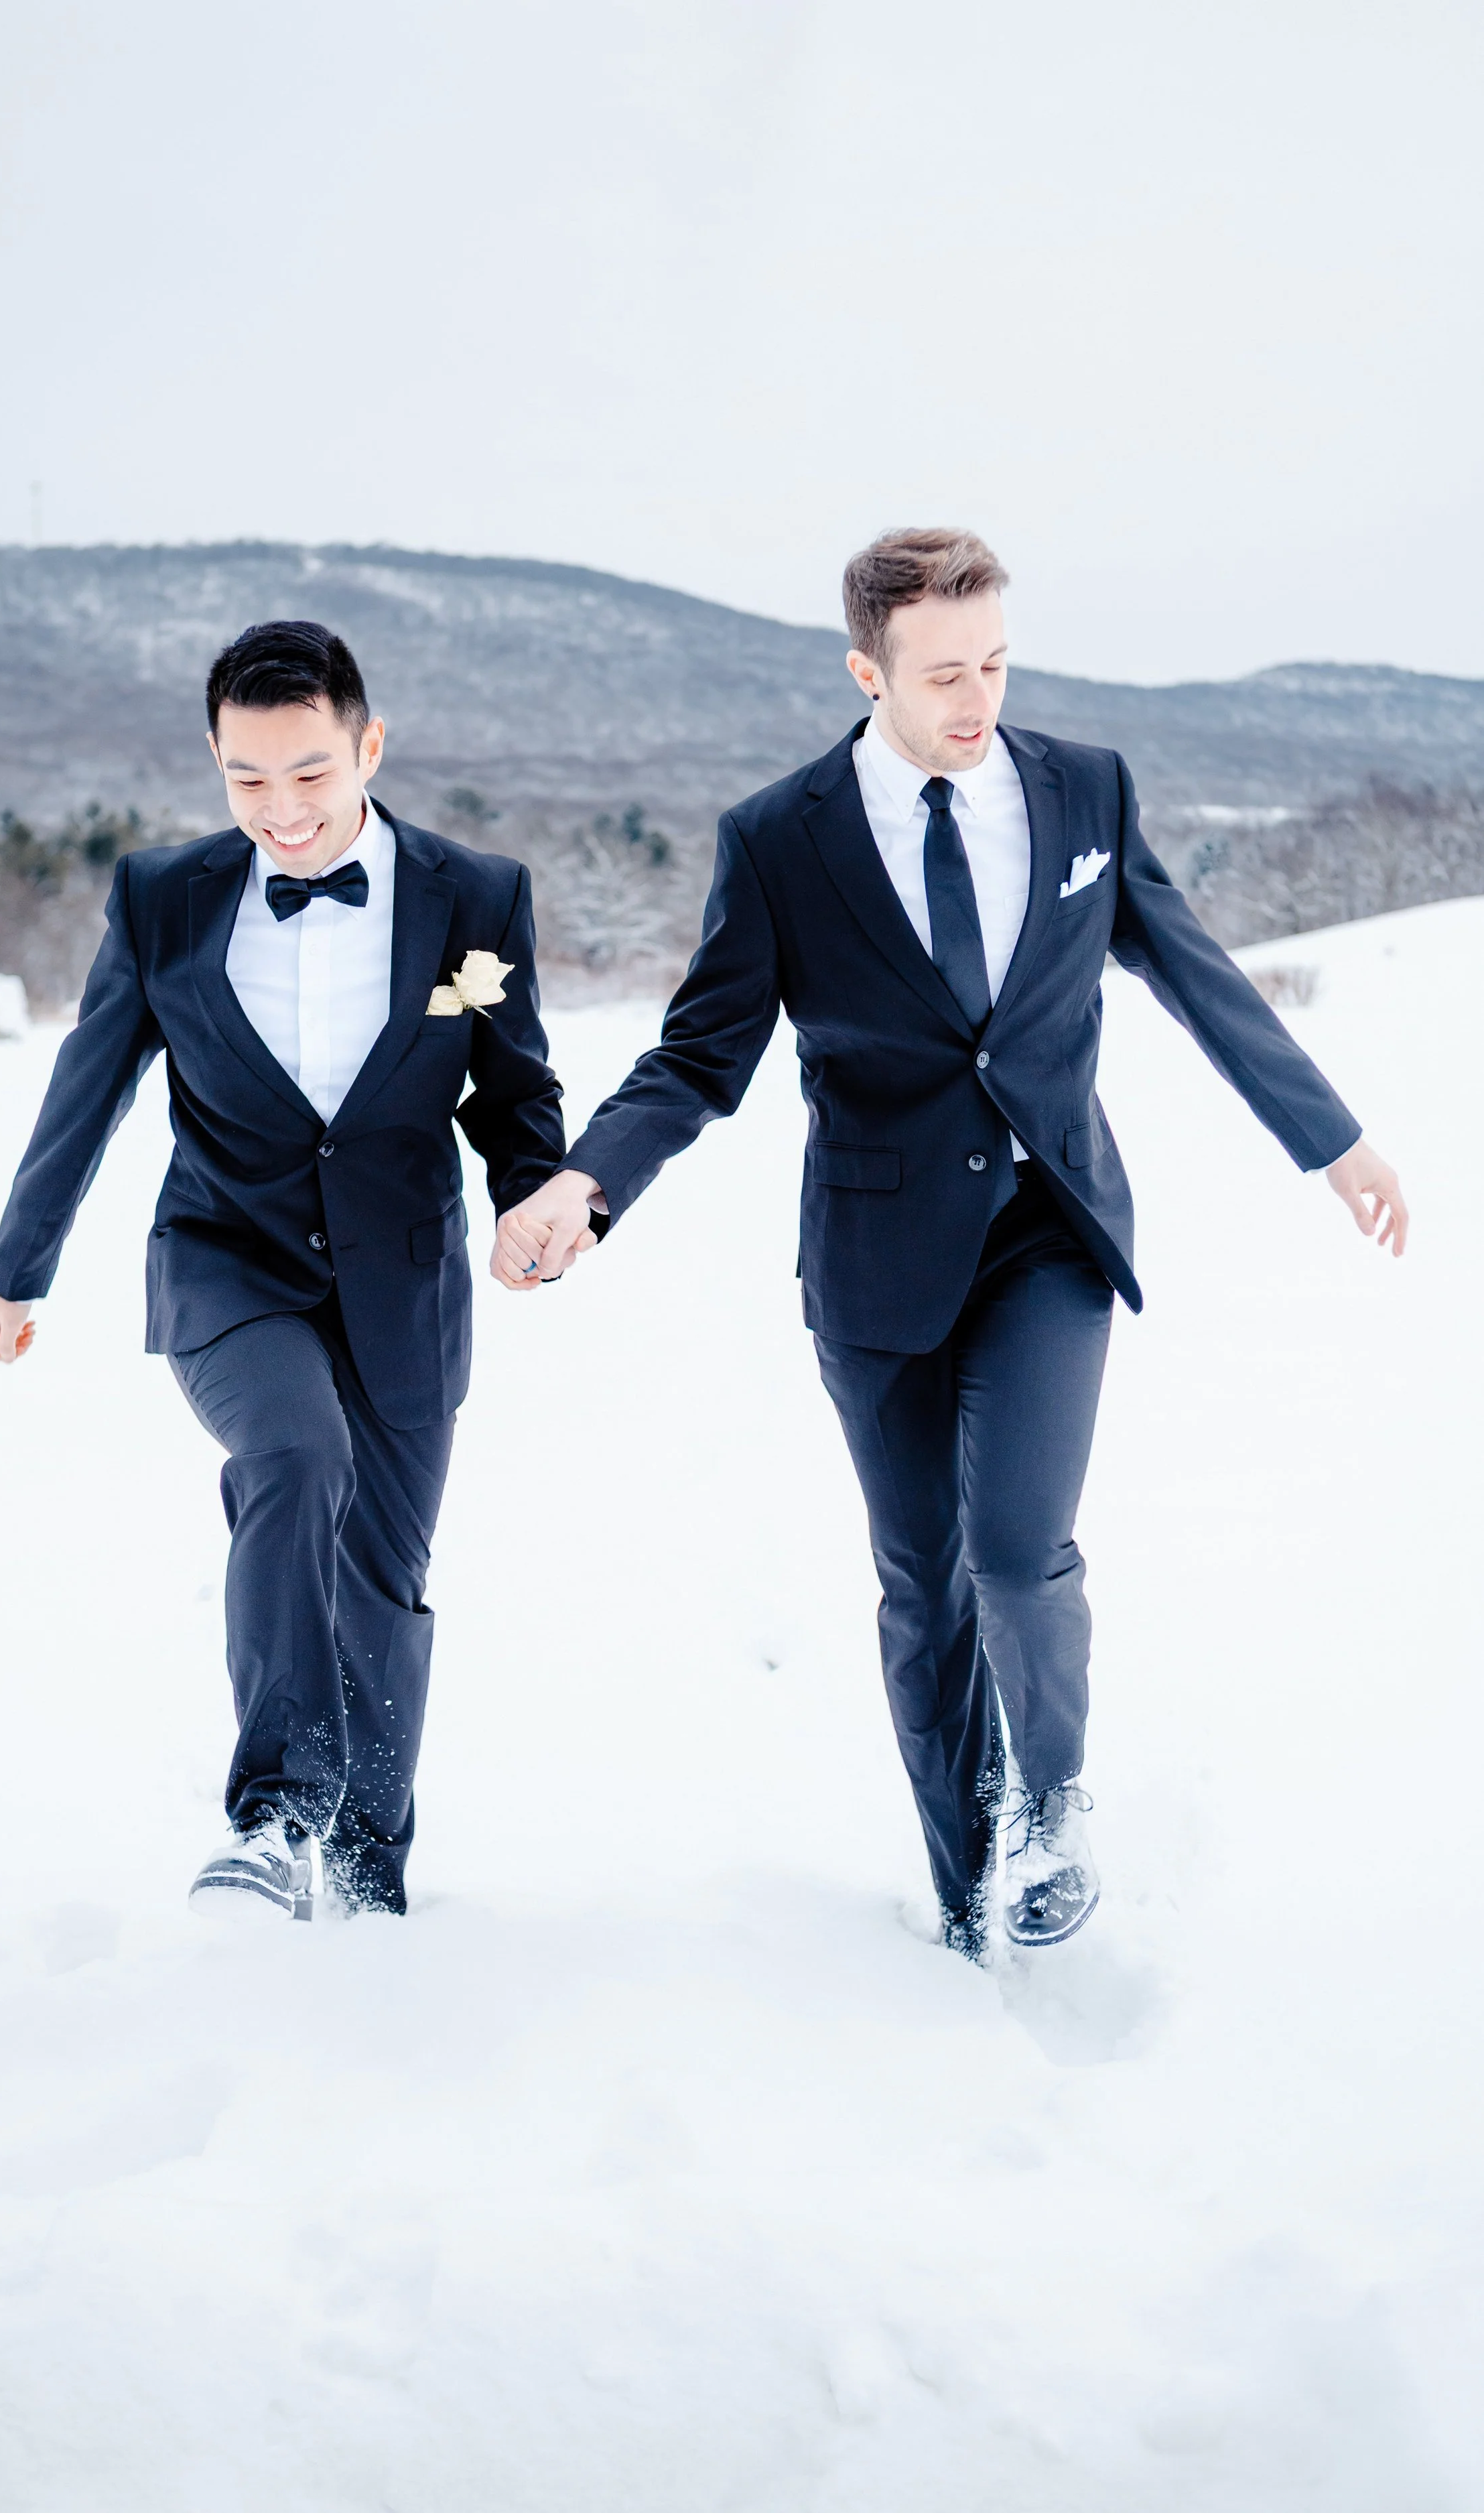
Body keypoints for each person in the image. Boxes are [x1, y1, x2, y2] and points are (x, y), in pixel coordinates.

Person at [490, 528, 1407, 1959]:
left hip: (1048, 1228)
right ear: (867, 669)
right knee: (920, 1585)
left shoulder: (1081, 790)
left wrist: (1330, 1139)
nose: (974, 698)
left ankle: (1047, 1812)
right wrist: (583, 1186)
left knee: (1012, 1547)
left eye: (992, 662)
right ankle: (965, 1884)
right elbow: (697, 1055)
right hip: (875, 1262)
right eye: (939, 674)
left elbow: (1188, 968)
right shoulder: (781, 839)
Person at [0, 620, 566, 1920]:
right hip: (225, 1266)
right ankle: (275, 1816)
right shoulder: (162, 902)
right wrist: (20, 1270)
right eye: (246, 777)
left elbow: (511, 1092)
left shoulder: (473, 900)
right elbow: (88, 1093)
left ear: (367, 745)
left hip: (403, 1288)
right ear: (213, 761)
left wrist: (534, 1201)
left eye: (307, 772)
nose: (280, 810)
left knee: (379, 1590)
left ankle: (366, 1880)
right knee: (295, 1460)